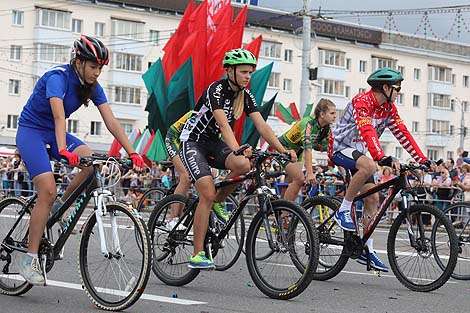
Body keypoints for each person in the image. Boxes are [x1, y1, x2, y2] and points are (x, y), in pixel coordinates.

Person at [15, 35, 144, 286]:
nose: (97, 73)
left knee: (93, 164)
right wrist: (63, 149)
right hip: (32, 131)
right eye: (93, 67)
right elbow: (59, 115)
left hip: (54, 133)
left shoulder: (93, 86)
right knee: (47, 190)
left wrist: (133, 152)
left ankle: (59, 208)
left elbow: (111, 121)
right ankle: (29, 258)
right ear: (78, 61)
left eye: (100, 68)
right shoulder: (58, 78)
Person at [179, 48, 296, 269]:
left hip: (213, 143)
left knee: (244, 165)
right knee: (206, 191)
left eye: (250, 73)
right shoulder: (216, 89)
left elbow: (261, 125)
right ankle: (197, 254)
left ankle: (219, 201)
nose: (247, 76)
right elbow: (223, 125)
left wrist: (283, 149)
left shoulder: (246, 95)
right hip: (193, 142)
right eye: (243, 72)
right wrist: (237, 148)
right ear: (230, 71)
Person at [328, 67, 429, 272]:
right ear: (385, 87)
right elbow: (367, 130)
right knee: (369, 164)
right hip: (341, 148)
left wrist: (422, 158)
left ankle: (368, 250)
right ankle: (343, 210)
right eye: (397, 88)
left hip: (361, 153)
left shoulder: (388, 109)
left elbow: (402, 132)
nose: (399, 91)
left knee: (372, 199)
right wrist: (380, 157)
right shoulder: (362, 101)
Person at [276, 99, 336, 202]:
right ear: (322, 114)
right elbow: (308, 150)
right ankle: (285, 215)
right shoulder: (308, 123)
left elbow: (333, 149)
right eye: (332, 113)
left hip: (298, 152)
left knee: (291, 183)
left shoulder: (326, 128)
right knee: (299, 179)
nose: (335, 116)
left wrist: (344, 173)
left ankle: (280, 208)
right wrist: (310, 173)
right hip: (283, 148)